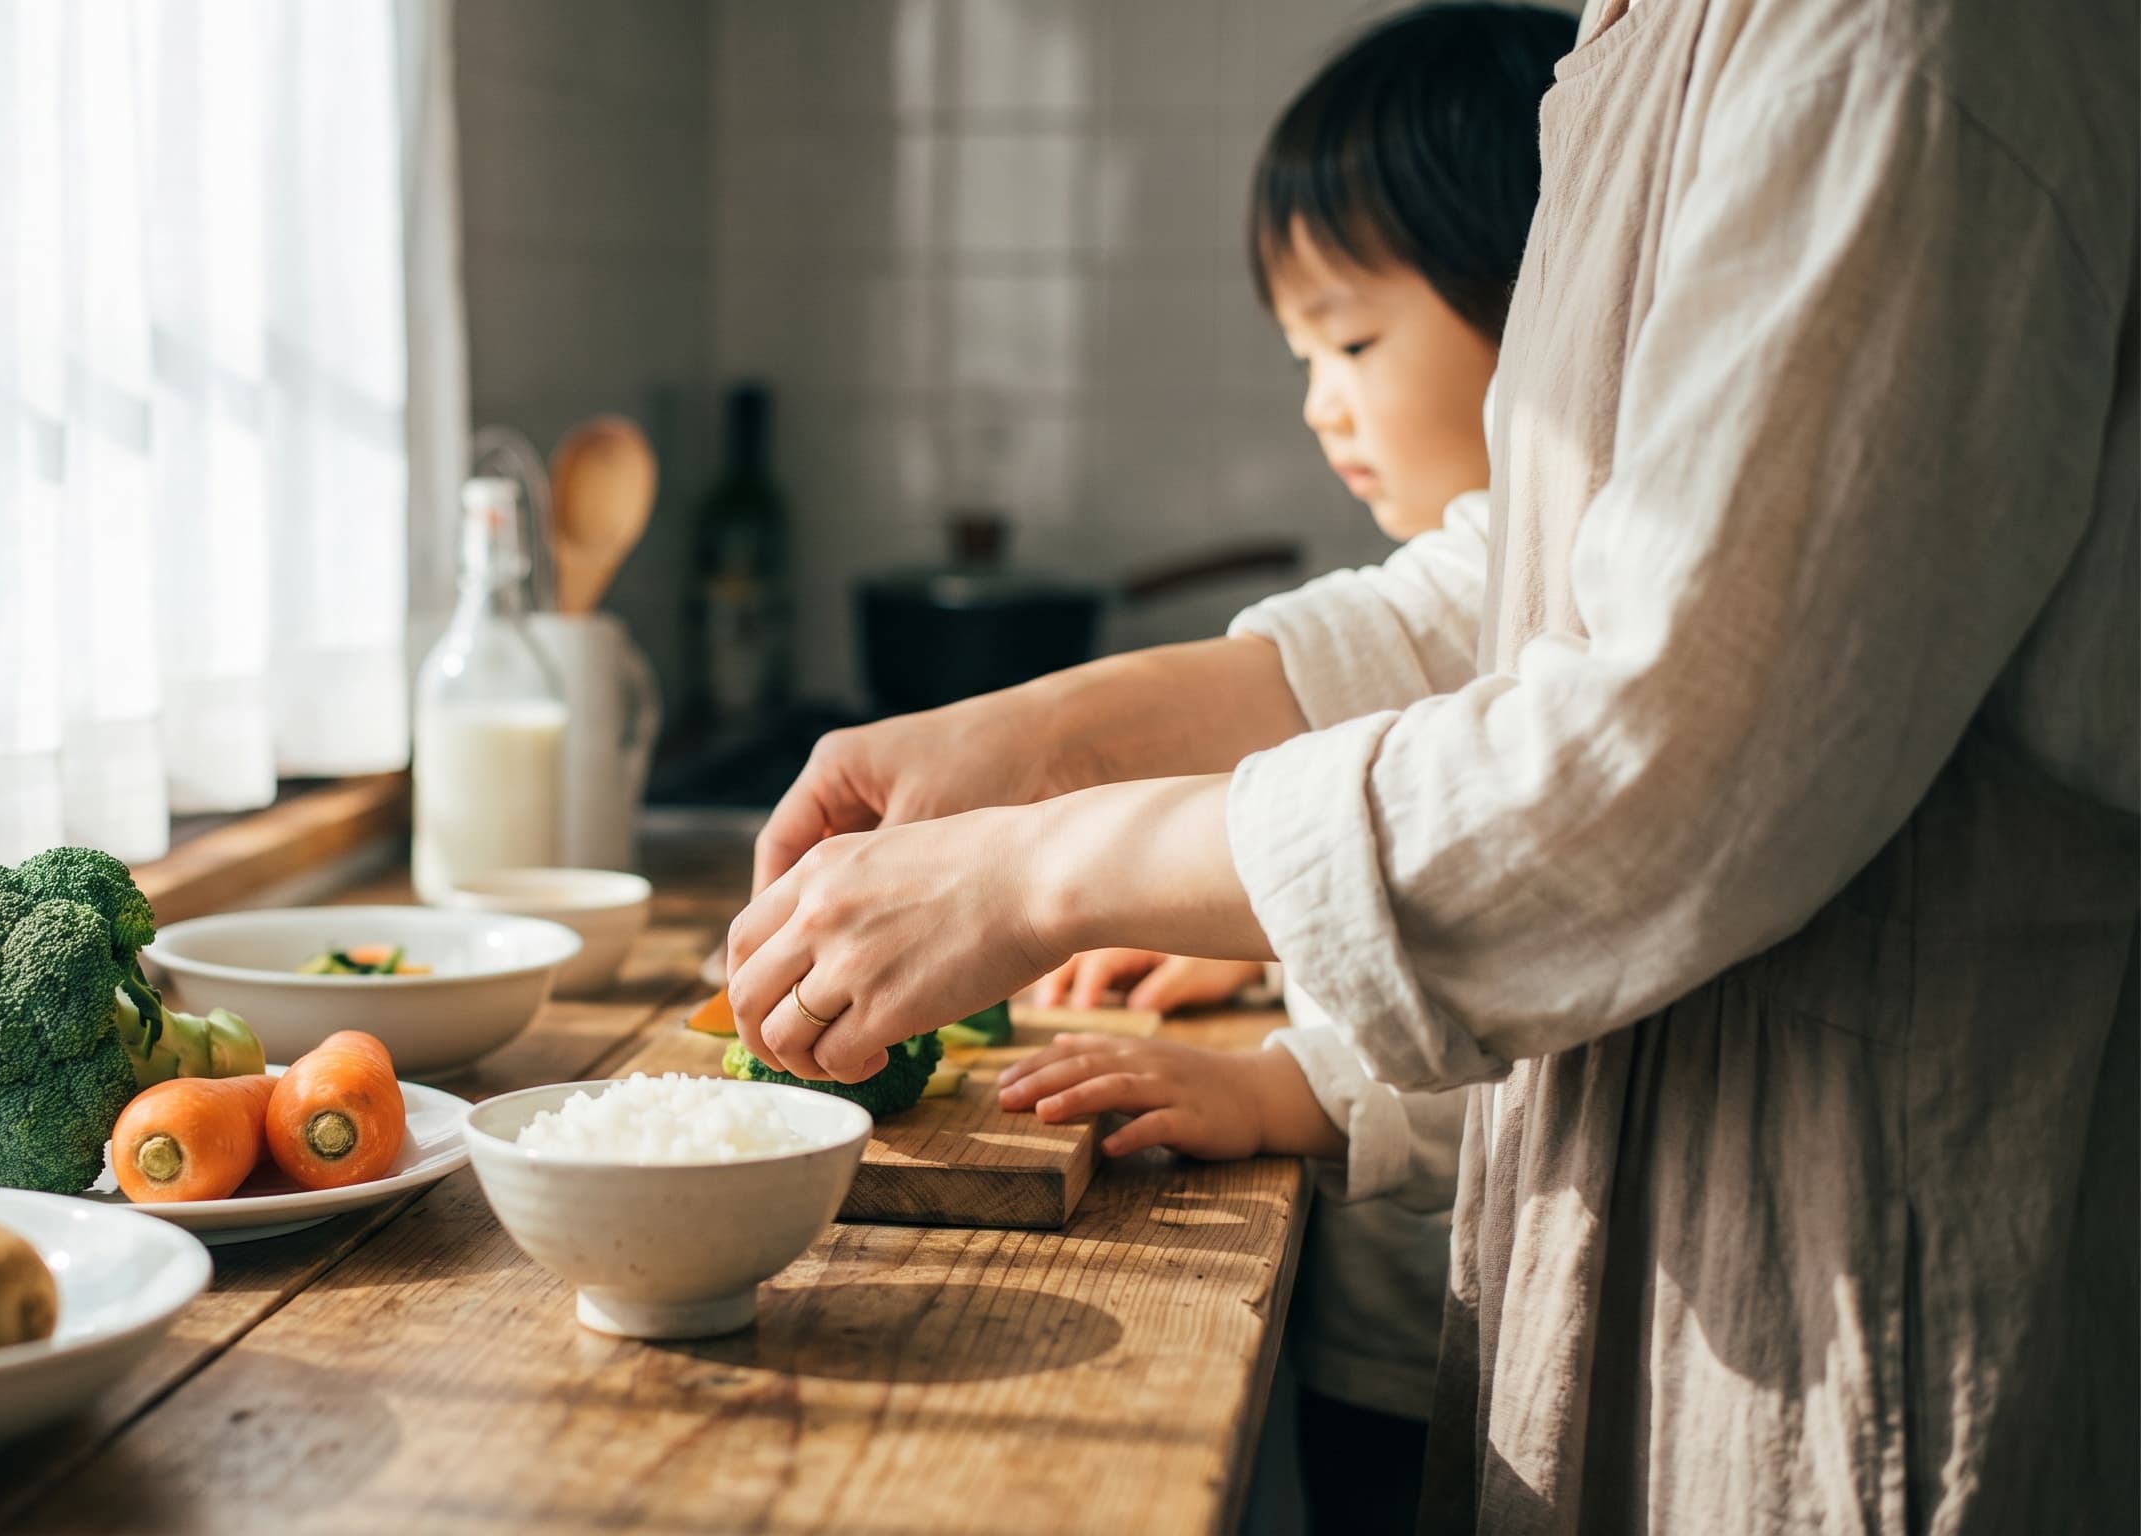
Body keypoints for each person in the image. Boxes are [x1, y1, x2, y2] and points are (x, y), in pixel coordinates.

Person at [722, 0, 2138, 1524]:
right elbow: (1511, 591)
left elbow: (1657, 754)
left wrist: (1039, 871)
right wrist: (1035, 739)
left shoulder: (1895, 35)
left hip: (1853, 1284)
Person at [1039, 8, 1575, 1531]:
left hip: (1445, 1361)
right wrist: (1253, 925)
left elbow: (1557, 1017)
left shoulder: (1583, 620)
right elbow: (1391, 858)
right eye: (1302, 353)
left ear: (1544, 307)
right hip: (1382, 1321)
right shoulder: (1466, 579)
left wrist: (1288, 1087)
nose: (1319, 401)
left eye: (1351, 340)